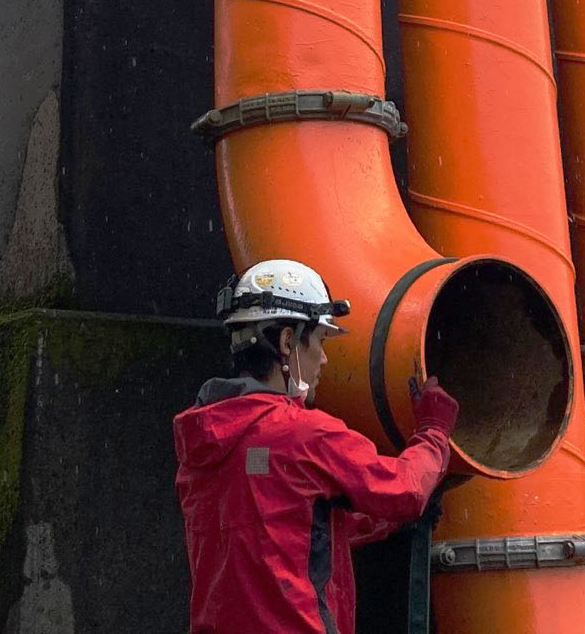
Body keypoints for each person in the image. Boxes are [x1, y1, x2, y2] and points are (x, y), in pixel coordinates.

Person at [174, 259, 462, 634]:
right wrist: (434, 431)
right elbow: (405, 489)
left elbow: (286, 531)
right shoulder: (301, 434)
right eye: (321, 341)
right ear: (288, 341)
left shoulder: (203, 439)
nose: (324, 358)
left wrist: (385, 521)